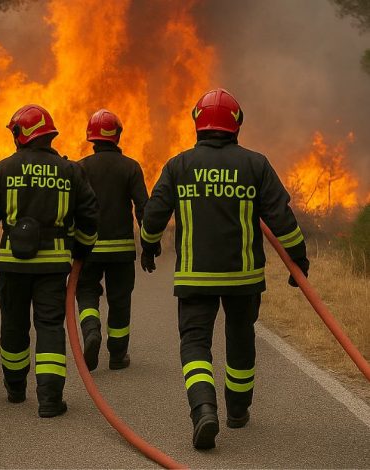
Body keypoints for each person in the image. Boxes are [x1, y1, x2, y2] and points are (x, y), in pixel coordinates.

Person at [141, 89, 309, 449]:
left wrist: (149, 244)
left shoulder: (178, 165)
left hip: (194, 276)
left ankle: (203, 410)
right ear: (236, 125)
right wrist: (299, 258)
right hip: (243, 277)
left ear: (197, 124)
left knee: (195, 343)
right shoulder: (256, 164)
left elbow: (154, 215)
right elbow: (281, 217)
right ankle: (237, 411)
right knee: (241, 337)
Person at [0, 104, 99, 418]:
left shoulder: (3, 169)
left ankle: (16, 389)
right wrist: (81, 252)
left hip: (13, 266)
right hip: (53, 267)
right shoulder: (70, 170)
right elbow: (89, 216)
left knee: (13, 326)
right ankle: (49, 400)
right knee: (49, 327)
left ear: (21, 135)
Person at [76, 109, 151, 371]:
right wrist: (149, 246)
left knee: (85, 292)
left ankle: (91, 330)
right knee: (120, 300)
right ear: (117, 135)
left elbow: (72, 209)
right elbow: (144, 208)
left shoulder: (80, 167)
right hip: (121, 251)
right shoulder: (130, 167)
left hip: (88, 248)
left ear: (91, 137)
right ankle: (118, 355)